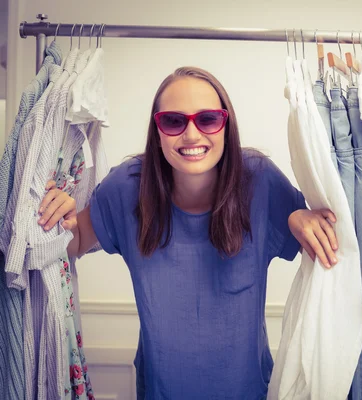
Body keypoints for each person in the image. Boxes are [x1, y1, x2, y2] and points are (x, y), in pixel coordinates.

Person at [37, 66, 338, 399]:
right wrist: (63, 215)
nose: (192, 135)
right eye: (174, 121)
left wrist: (299, 215)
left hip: (248, 390)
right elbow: (75, 241)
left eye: (208, 119)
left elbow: (334, 243)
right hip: (161, 389)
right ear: (158, 130)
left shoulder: (260, 181)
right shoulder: (126, 188)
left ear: (227, 125)